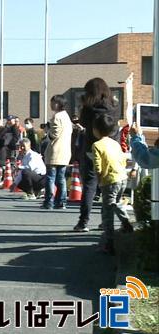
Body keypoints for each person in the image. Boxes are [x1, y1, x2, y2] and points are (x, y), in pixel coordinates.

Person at [74, 78, 120, 232]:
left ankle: (83, 222)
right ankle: (105, 221)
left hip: (91, 149)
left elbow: (83, 124)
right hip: (110, 149)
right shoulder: (113, 107)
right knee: (108, 188)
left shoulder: (88, 108)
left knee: (89, 186)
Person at [93, 114, 133, 254]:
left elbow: (98, 166)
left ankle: (109, 243)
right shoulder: (115, 143)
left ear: (96, 129)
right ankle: (126, 224)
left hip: (109, 180)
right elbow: (122, 160)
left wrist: (99, 179)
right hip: (122, 178)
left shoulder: (97, 145)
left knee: (107, 212)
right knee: (117, 203)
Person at [41, 95, 72, 210]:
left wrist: (47, 133)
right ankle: (61, 201)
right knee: (61, 178)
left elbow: (54, 134)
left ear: (58, 104)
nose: (51, 104)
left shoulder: (57, 116)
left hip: (55, 151)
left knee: (50, 177)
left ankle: (49, 201)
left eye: (52, 102)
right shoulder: (66, 116)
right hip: (65, 151)